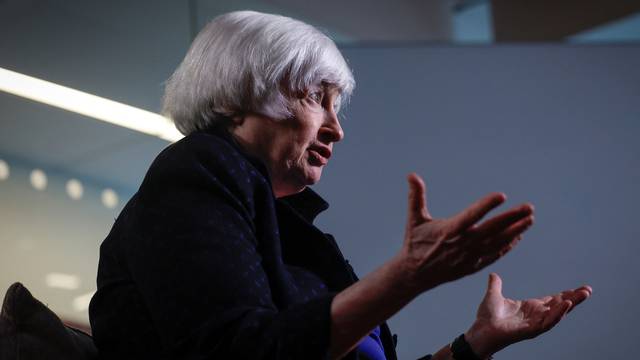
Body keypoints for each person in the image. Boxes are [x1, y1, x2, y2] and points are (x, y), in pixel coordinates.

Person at [89, 10, 592, 360]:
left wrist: (477, 342)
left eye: (337, 105)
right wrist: (407, 275)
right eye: (316, 98)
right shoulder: (198, 170)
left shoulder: (283, 225)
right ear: (240, 93)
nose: (337, 127)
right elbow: (241, 351)